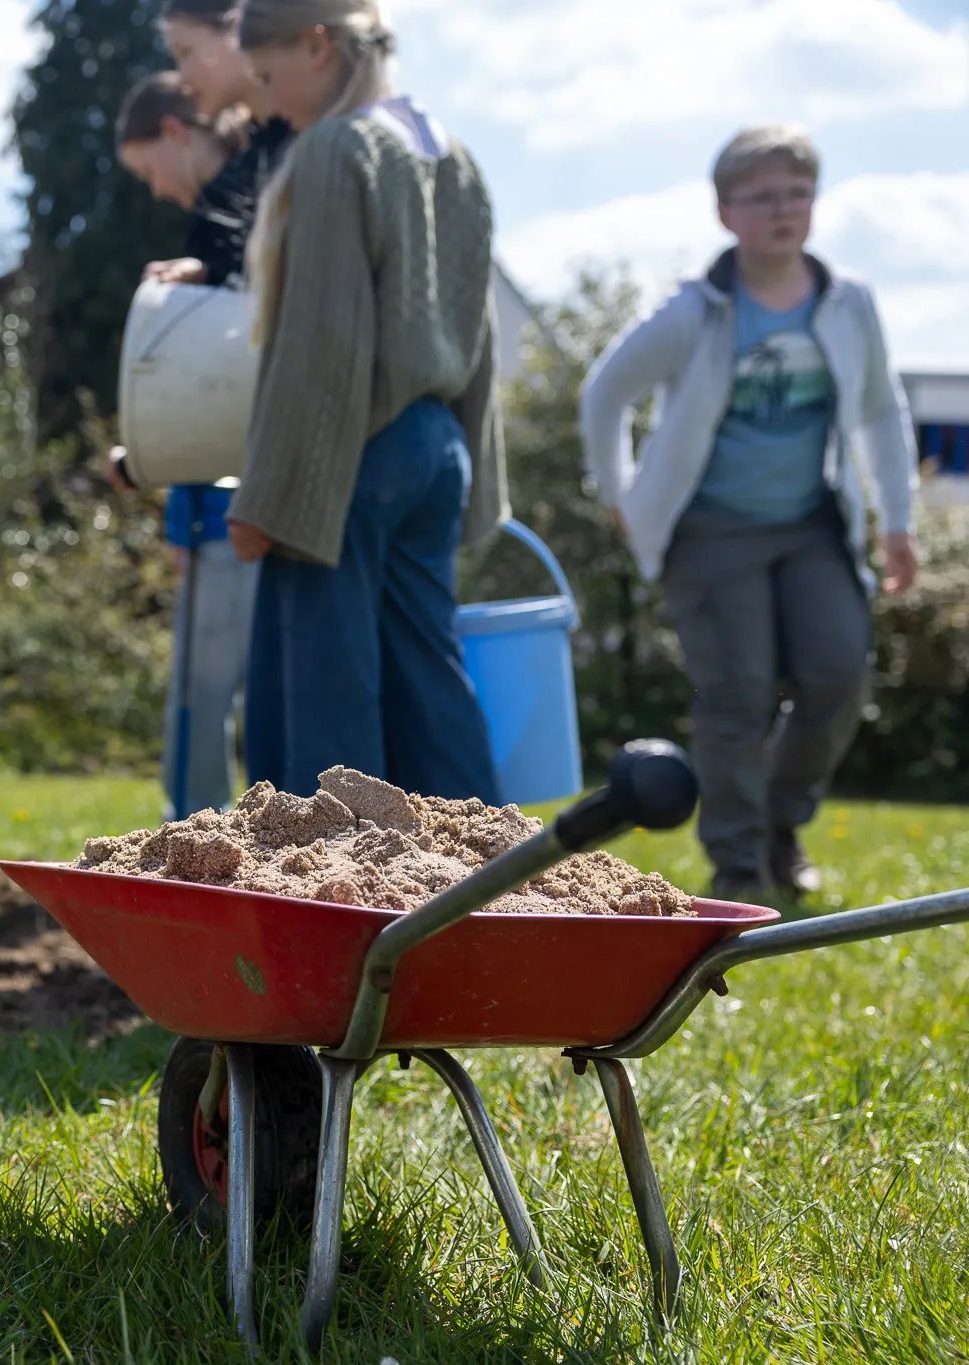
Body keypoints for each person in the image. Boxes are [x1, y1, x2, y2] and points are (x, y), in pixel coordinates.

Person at [580, 126, 919, 900]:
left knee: (838, 672)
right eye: (762, 196)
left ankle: (780, 821)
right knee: (737, 694)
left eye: (797, 192)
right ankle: (738, 862)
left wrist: (895, 521)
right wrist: (621, 496)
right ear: (727, 212)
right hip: (710, 531)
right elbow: (605, 394)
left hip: (811, 527)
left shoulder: (847, 303)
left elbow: (879, 412)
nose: (782, 210)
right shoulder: (693, 313)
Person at [228, 0, 505, 803]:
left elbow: (322, 341)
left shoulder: (337, 150)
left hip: (349, 454)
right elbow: (477, 329)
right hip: (437, 447)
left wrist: (267, 497)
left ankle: (333, 904)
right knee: (431, 680)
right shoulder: (454, 154)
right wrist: (477, 480)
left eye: (270, 77)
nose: (270, 103)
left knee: (325, 694)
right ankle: (475, 889)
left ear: (317, 45)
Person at [115, 72, 265, 818]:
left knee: (210, 693)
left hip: (237, 517)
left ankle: (201, 826)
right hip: (216, 514)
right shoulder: (222, 225)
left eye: (146, 170)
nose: (152, 190)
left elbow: (213, 402)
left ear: (176, 131)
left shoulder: (246, 193)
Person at [148, 0, 296, 289]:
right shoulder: (256, 159)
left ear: (235, 29)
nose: (182, 78)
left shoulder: (312, 141)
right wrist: (211, 275)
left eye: (185, 52)